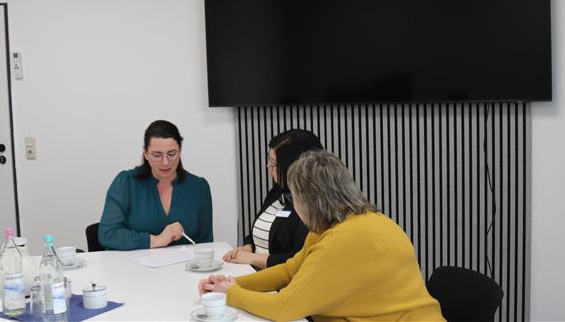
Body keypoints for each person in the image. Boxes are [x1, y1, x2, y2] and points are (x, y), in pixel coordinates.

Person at [199, 151, 445, 322]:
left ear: (309, 201)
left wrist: (231, 293)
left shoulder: (343, 241)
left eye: (294, 196)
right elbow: (290, 271)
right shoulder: (338, 224)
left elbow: (285, 306)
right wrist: (229, 285)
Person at [98, 120, 213, 250]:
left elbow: (206, 243)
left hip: (183, 268)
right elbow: (107, 234)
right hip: (133, 268)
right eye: (157, 155)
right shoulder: (125, 183)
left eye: (171, 154)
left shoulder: (199, 187)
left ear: (180, 151)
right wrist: (157, 240)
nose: (165, 162)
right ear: (145, 153)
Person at [223, 129, 322, 269]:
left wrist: (253, 258)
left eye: (274, 164)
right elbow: (255, 232)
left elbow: (299, 260)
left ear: (293, 167)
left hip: (282, 283)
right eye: (269, 161)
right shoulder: (277, 191)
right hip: (255, 273)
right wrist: (248, 247)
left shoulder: (312, 206)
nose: (268, 167)